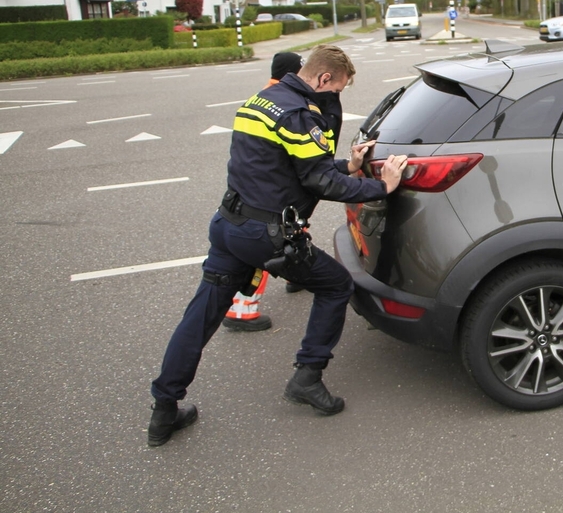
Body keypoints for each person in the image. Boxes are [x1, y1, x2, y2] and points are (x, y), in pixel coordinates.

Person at [147, 44, 407, 447]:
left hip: (229, 224)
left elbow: (293, 170)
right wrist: (381, 185)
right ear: (324, 79)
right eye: (337, 88)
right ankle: (307, 376)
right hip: (264, 234)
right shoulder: (301, 116)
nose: (335, 96)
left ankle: (164, 408)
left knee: (200, 317)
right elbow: (321, 182)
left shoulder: (260, 101)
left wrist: (350, 165)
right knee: (336, 284)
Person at [221, 52, 305, 332]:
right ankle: (242, 309)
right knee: (264, 249)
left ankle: (297, 275)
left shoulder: (263, 96)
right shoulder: (287, 102)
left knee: (292, 234)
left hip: (253, 189)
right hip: (267, 197)